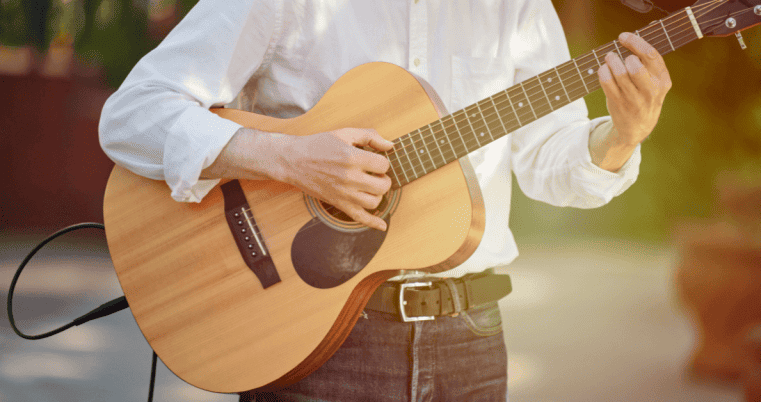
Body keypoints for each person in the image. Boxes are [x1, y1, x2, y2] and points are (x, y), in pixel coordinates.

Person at [99, 0, 671, 400]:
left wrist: (622, 136)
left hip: (470, 342)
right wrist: (287, 158)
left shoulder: (514, 7)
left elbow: (550, 166)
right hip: (316, 343)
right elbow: (133, 115)